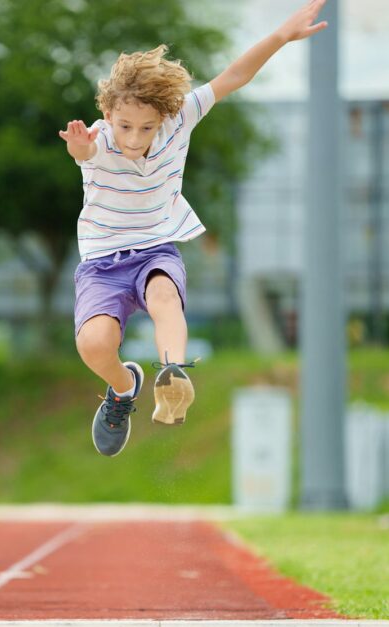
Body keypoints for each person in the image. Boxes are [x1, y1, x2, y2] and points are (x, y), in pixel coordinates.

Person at [58, 0, 329, 457]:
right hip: (103, 262)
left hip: (155, 248)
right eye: (124, 125)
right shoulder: (99, 139)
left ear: (164, 117)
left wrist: (280, 37)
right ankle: (124, 390)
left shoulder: (181, 117)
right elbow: (83, 157)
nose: (134, 139)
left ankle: (172, 372)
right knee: (93, 344)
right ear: (108, 112)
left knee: (164, 296)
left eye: (146, 128)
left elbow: (234, 77)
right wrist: (80, 148)